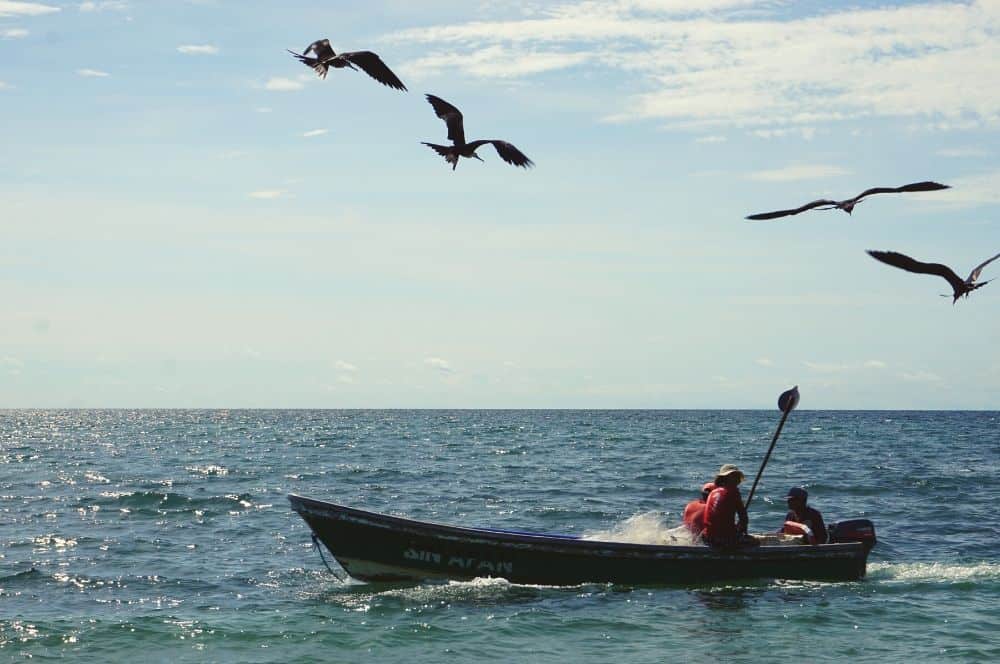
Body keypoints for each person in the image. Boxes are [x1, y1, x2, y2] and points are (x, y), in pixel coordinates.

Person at [701, 464, 751, 547]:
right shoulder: (734, 492)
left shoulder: (713, 492)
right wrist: (742, 533)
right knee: (755, 542)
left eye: (737, 476)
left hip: (707, 538)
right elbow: (743, 519)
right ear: (725, 478)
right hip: (724, 541)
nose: (737, 479)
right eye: (734, 476)